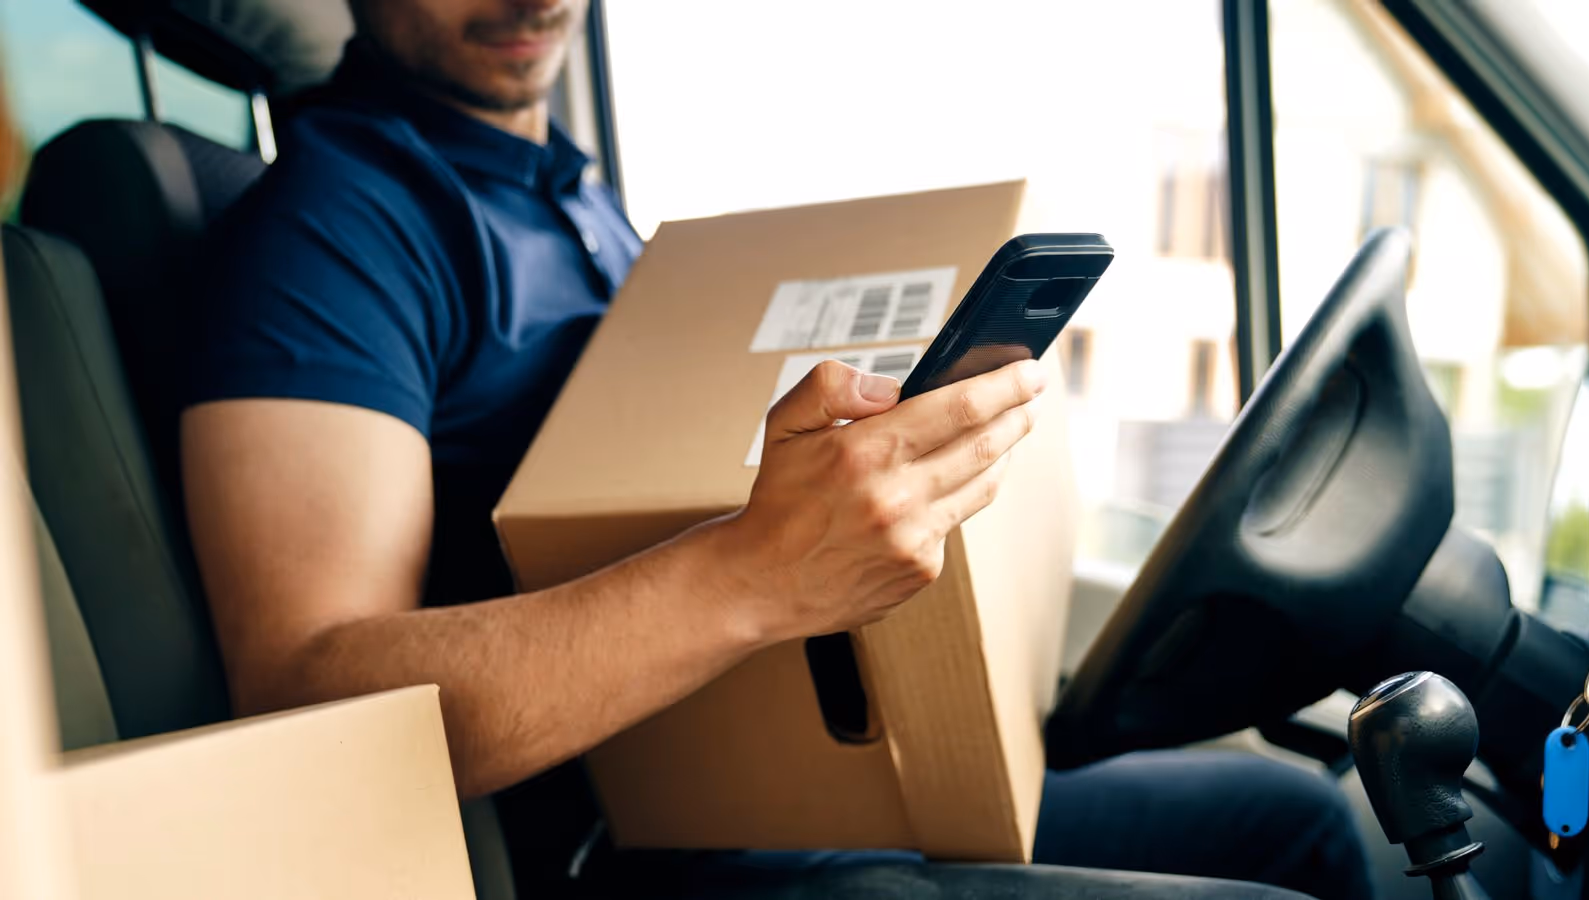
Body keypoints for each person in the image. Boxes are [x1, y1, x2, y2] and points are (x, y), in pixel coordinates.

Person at [179, 2, 1374, 898]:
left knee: (1301, 816)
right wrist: (758, 570)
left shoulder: (574, 203)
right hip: (635, 854)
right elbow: (306, 695)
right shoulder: (336, 228)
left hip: (782, 778)